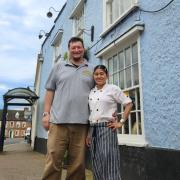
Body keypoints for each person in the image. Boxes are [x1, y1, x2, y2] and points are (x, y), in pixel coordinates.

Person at [41, 37, 94, 180]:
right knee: (53, 160)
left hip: (82, 124)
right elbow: (50, 90)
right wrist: (46, 114)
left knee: (77, 165)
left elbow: (98, 95)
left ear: (84, 49)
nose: (76, 50)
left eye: (79, 47)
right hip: (58, 122)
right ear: (69, 50)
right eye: (73, 48)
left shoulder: (92, 69)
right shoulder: (59, 66)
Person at [86, 65, 133, 180]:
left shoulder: (113, 88)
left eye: (102, 73)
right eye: (96, 74)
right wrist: (88, 134)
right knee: (96, 162)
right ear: (93, 76)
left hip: (107, 128)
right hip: (93, 129)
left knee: (109, 162)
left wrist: (121, 122)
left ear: (107, 75)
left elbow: (129, 104)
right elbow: (91, 113)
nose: (99, 76)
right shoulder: (91, 91)